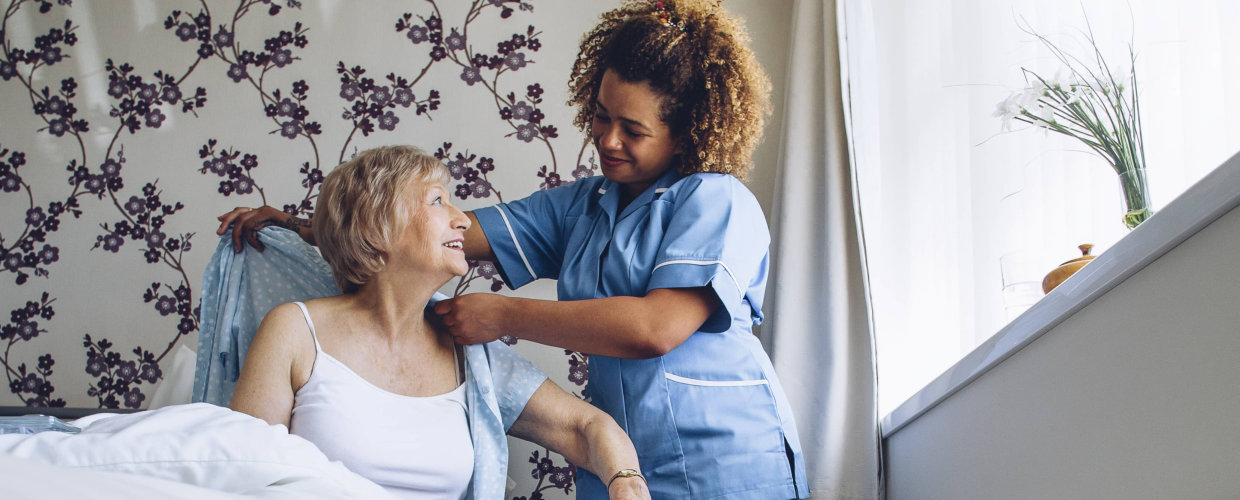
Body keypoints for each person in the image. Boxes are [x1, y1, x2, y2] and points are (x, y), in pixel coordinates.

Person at [218, 1, 807, 497]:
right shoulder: (582, 206)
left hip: (726, 461)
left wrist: (504, 315)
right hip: (625, 460)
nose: (607, 139)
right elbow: (421, 232)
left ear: (688, 131)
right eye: (601, 118)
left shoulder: (716, 201)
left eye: (632, 129)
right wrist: (305, 225)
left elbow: (655, 328)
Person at [227, 145, 651, 500]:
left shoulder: (471, 354)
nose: (463, 219)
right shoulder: (295, 332)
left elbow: (587, 426)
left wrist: (625, 481)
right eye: (437, 200)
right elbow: (239, 477)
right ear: (377, 226)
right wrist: (292, 224)